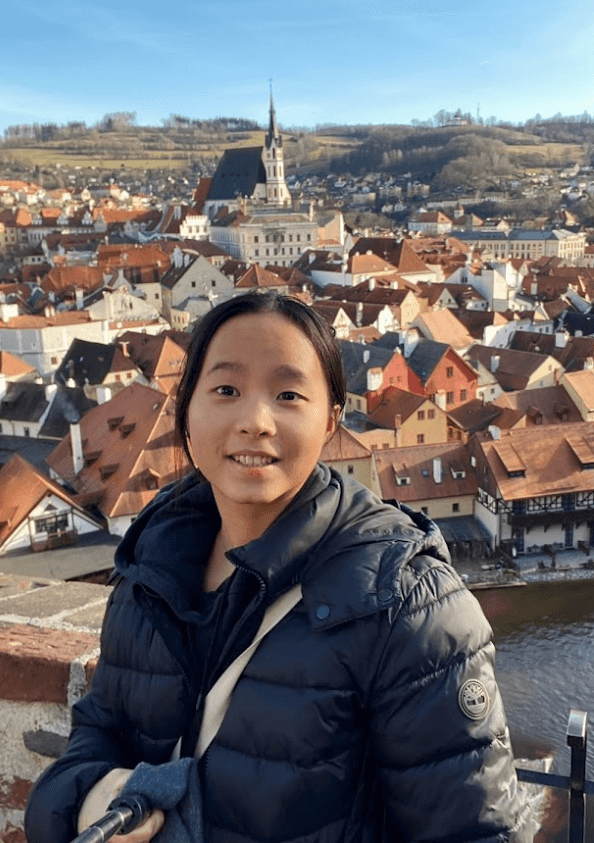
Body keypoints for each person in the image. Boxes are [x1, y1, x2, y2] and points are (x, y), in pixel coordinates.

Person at [25, 290, 533, 843]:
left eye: (288, 394)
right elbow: (97, 735)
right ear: (187, 413)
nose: (255, 421)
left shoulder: (407, 602)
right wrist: (90, 799)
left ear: (331, 421)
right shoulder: (150, 568)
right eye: (226, 390)